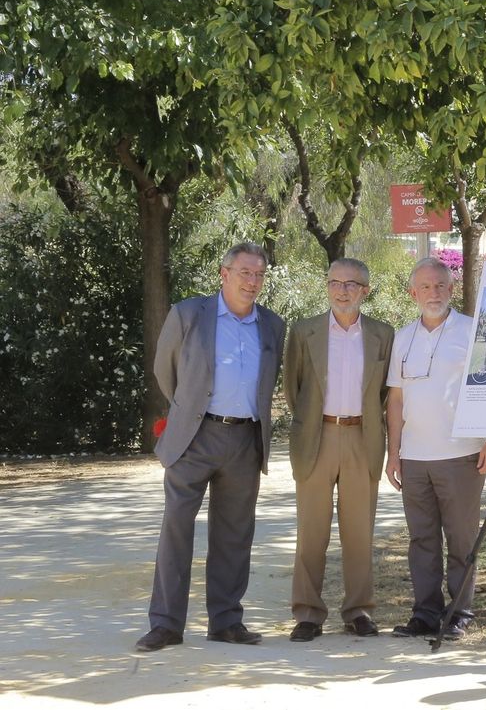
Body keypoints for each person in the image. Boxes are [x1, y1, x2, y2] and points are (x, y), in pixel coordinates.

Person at [136, 242, 286, 652]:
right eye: (244, 272)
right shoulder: (188, 314)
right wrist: (190, 410)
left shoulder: (272, 325)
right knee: (177, 529)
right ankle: (166, 624)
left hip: (245, 439)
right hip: (194, 436)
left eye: (259, 274)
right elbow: (165, 370)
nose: (252, 281)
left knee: (235, 534)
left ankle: (226, 621)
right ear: (224, 273)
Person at [385, 257, 486, 640]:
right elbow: (396, 400)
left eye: (440, 285)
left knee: (461, 539)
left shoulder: (473, 330)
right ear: (412, 293)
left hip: (462, 454)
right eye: (425, 286)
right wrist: (393, 453)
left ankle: (459, 613)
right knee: (422, 540)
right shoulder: (402, 338)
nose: (433, 292)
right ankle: (425, 615)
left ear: (451, 289)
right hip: (414, 457)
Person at [282, 258, 396, 641]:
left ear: (366, 290)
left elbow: (384, 392)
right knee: (310, 532)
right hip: (317, 436)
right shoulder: (304, 331)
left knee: (359, 533)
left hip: (362, 438)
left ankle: (358, 611)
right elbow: (293, 388)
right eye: (335, 282)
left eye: (351, 284)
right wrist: (312, 423)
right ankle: (308, 614)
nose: (342, 290)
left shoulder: (383, 334)